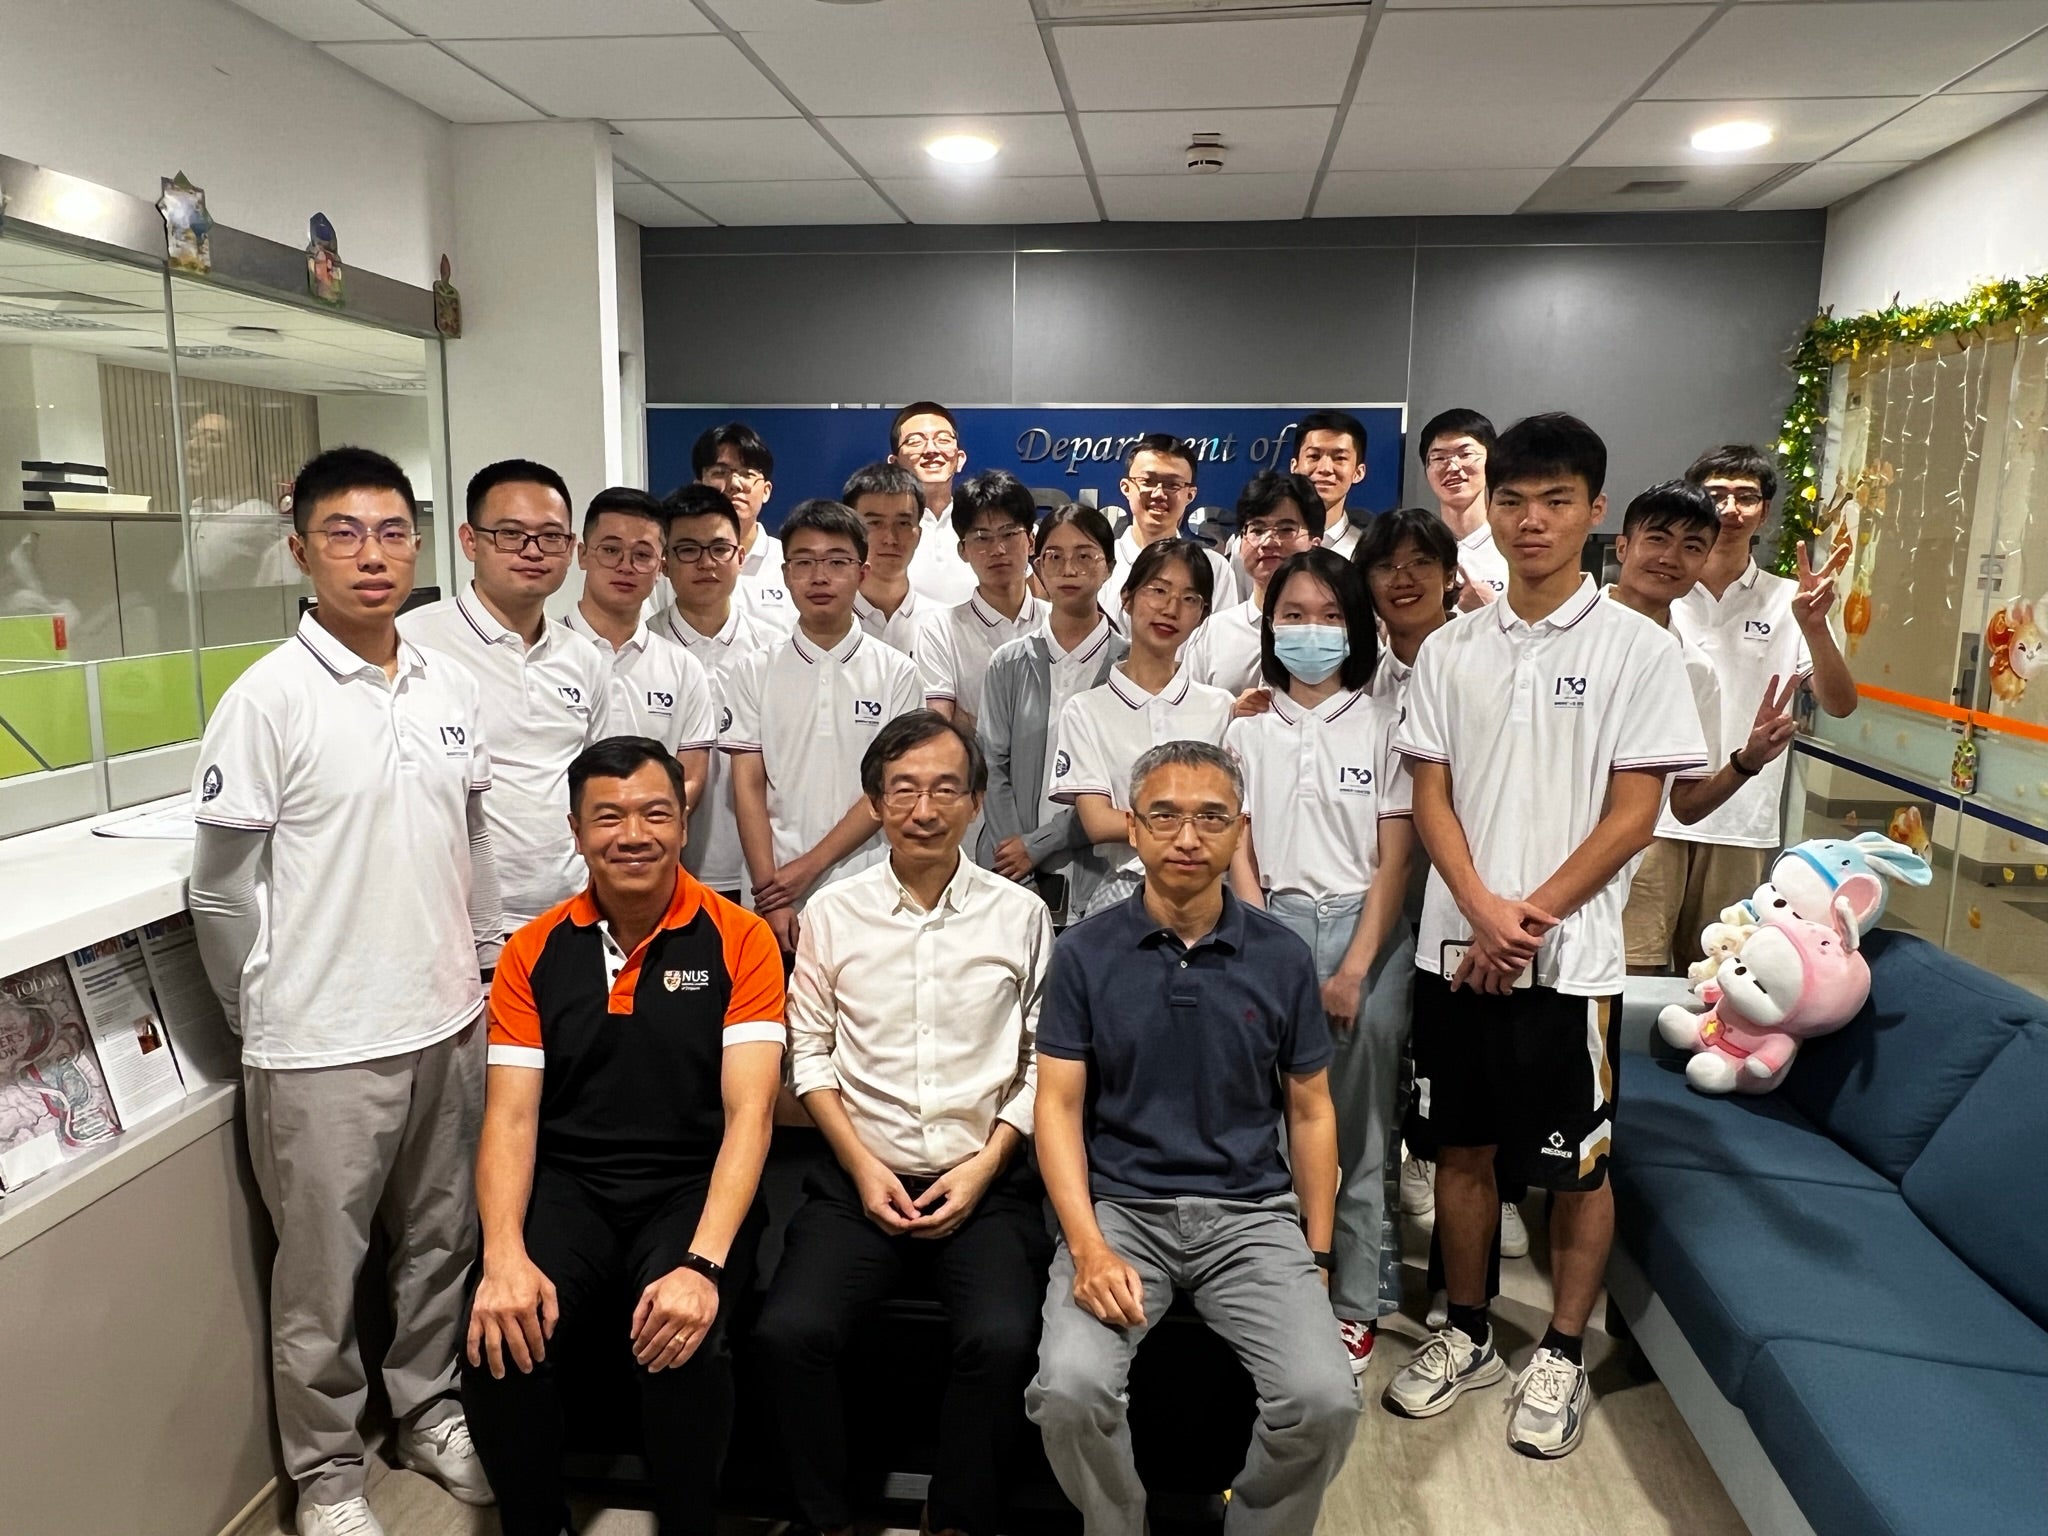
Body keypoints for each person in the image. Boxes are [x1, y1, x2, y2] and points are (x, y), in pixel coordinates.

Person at [187, 447, 501, 1536]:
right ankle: (325, 1475)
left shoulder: (446, 684)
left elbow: (467, 846)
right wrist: (255, 1010)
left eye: (390, 532)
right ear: (301, 551)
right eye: (344, 535)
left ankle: (427, 1412)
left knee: (437, 1246)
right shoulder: (265, 701)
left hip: (446, 1020)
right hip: (320, 1043)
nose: (372, 556)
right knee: (320, 1282)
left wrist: (483, 965)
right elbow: (220, 894)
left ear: (416, 544)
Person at [1385, 414, 1707, 1459]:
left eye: (1554, 500)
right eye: (1514, 501)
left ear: (1592, 512)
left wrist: (1522, 922)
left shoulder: (1634, 649)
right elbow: (1427, 792)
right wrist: (1479, 910)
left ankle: (1562, 1350)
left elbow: (1631, 813)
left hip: (1569, 964)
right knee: (1463, 1154)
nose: (1531, 521)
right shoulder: (1449, 646)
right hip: (1454, 952)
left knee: (1575, 1169)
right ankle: (1468, 1331)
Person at [1027, 740, 1358, 1536]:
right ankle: (1119, 1523)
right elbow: (1058, 1110)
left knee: (1323, 1399)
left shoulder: (1280, 955)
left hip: (1251, 1217)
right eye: (1165, 816)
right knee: (1069, 1390)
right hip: (1121, 1216)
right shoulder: (1082, 955)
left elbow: (1312, 1113)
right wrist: (1089, 1245)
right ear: (1133, 830)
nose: (1187, 836)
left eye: (1210, 817)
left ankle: (1257, 1522)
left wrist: (1316, 1255)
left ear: (1240, 831)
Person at [462, 737, 785, 1536]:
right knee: (499, 1338)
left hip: (693, 1189)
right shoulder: (532, 951)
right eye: (608, 817)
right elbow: (509, 1117)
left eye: (654, 814)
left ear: (682, 824)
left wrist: (703, 1265)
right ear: (576, 830)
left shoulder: (739, 939)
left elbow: (750, 1114)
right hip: (571, 1187)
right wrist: (502, 1257)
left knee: (685, 1340)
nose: (631, 835)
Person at [759, 712, 1054, 1536]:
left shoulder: (1019, 915)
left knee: (1002, 1338)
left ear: (976, 803)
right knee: (789, 1332)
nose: (924, 809)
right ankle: (827, 1518)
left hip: (983, 1179)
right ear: (877, 802)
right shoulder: (833, 913)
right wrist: (859, 1165)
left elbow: (1039, 1063)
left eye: (944, 790)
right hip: (859, 1174)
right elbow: (809, 1054)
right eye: (904, 790)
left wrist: (989, 1164)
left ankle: (953, 1515)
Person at [1225, 549, 1413, 1376]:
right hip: (1271, 926)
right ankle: (1279, 1285)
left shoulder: (1385, 723)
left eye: (1329, 616)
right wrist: (1262, 936)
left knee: (1362, 1122)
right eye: (1293, 615)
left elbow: (1394, 861)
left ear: (1358, 628)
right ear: (1270, 625)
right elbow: (1238, 839)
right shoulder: (1245, 726)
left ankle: (1356, 1300)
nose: (1310, 631)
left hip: (1363, 933)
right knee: (1268, 1120)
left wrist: (1352, 969)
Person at [1354, 510, 1527, 1302]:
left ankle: (1476, 1263)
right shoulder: (1358, 678)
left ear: (1451, 571)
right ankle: (1394, 1228)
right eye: (1387, 565)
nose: (1403, 579)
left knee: (1474, 1090)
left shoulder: (1490, 660)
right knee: (1393, 1063)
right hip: (1386, 897)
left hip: (1474, 900)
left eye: (1422, 562)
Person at [402, 459, 624, 931]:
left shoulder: (583, 657)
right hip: (453, 921)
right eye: (509, 534)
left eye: (550, 537)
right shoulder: (411, 644)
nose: (532, 551)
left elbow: (599, 782)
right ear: (469, 540)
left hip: (574, 913)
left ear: (570, 549)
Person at [1659, 444, 1856, 966]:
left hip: (1741, 819)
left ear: (1764, 511)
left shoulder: (1791, 600)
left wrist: (1814, 628)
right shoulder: (1657, 590)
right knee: (1633, 961)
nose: (1729, 509)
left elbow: (1839, 705)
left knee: (1720, 970)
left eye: (1746, 497)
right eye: (1715, 494)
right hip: (1648, 815)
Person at [1609, 481, 1801, 972]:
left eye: (1692, 547)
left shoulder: (1693, 669)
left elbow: (1687, 804)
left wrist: (1746, 761)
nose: (1671, 557)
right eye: (1657, 539)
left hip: (1632, 853)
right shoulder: (1565, 630)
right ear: (1623, 546)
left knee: (1636, 978)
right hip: (1539, 859)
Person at [723, 499, 925, 954]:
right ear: (785, 573)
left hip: (871, 887)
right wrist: (770, 892)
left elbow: (890, 791)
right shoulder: (754, 670)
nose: (819, 577)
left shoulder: (897, 673)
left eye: (837, 562)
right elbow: (747, 787)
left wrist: (808, 867)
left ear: (862, 572)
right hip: (772, 895)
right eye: (805, 562)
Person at [1049, 540, 1235, 919]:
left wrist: (1153, 823)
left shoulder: (1221, 707)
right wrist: (1191, 824)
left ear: (1202, 615)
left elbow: (1233, 817)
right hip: (1124, 889)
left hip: (1206, 891)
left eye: (1189, 599)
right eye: (1159, 591)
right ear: (1128, 598)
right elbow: (1098, 822)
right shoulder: (1087, 710)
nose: (1170, 609)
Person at [979, 505, 1128, 927]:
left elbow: (1123, 782)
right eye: (1054, 556)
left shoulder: (1130, 665)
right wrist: (1017, 852)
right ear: (1038, 565)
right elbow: (992, 765)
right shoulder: (1008, 662)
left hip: (1102, 874)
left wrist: (1040, 843)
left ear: (1109, 567)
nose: (1069, 568)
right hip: (1011, 872)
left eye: (1085, 555)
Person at [653, 484, 777, 906]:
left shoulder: (775, 650)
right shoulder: (642, 647)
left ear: (741, 557)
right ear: (664, 563)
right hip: (665, 869)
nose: (706, 563)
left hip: (761, 868)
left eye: (720, 548)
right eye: (688, 550)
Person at [568, 486, 716, 818]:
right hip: (560, 855)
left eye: (642, 554)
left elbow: (690, 776)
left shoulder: (682, 667)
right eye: (610, 550)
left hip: (650, 856)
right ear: (582, 554)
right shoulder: (546, 652)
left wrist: (645, 830)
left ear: (661, 565)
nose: (625, 566)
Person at [920, 468, 1049, 736]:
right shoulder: (940, 629)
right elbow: (938, 726)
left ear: (1032, 541)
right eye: (982, 538)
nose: (998, 549)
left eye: (1009, 534)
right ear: (963, 550)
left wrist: (969, 721)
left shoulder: (1056, 622)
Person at [1181, 471, 1322, 693]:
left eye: (1286, 529)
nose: (1268, 542)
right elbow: (1189, 715)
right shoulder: (1213, 633)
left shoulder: (1337, 630)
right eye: (1256, 529)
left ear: (1315, 544)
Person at [1108, 434, 1240, 608]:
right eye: (1147, 481)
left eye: (1172, 485)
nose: (1159, 494)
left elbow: (1221, 634)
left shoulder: (1214, 568)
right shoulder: (1100, 562)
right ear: (1126, 487)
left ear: (1190, 495)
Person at [693, 421, 795, 636]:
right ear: (699, 487)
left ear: (766, 491)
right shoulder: (677, 563)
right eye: (720, 472)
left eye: (747, 473)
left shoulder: (791, 562)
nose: (735, 483)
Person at [890, 401, 978, 606]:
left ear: (960, 459)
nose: (931, 449)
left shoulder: (984, 525)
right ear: (894, 464)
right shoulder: (875, 532)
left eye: (943, 439)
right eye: (914, 441)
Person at [1416, 408, 1504, 611]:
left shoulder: (1514, 547)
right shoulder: (1417, 548)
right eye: (1439, 458)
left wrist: (1490, 611)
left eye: (1465, 454)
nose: (1453, 467)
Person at [845, 460, 929, 657]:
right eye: (874, 523)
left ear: (919, 534)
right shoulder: (823, 623)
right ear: (849, 531)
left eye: (903, 523)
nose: (890, 538)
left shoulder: (941, 624)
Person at [1291, 409, 1371, 560]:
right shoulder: (1261, 545)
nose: (1325, 469)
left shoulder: (1369, 551)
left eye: (1339, 458)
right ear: (1294, 466)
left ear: (1358, 472)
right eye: (1314, 456)